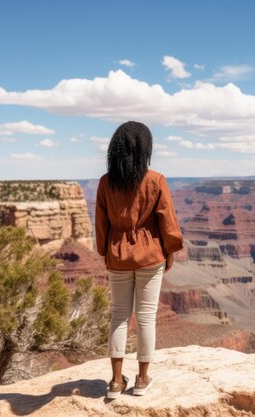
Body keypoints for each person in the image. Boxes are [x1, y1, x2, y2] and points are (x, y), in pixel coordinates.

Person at [95, 120, 184, 399]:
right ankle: (143, 380)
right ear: (146, 148)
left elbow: (100, 224)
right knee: (146, 318)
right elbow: (167, 221)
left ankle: (114, 382)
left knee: (119, 316)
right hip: (150, 255)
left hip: (118, 255)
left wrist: (105, 250)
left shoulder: (105, 183)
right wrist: (168, 252)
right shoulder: (156, 180)